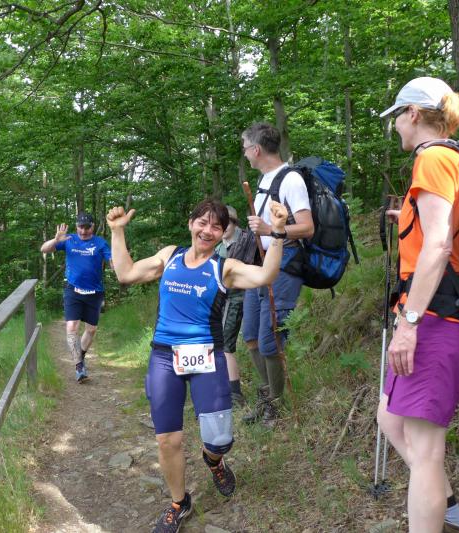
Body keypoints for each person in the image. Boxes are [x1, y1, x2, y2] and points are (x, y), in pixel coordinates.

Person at [107, 199, 287, 533]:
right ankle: (180, 502)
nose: (208, 230)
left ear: (222, 233)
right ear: (191, 224)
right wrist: (117, 232)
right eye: (202, 222)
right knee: (167, 439)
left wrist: (276, 233)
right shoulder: (170, 257)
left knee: (219, 439)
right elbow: (126, 273)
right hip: (164, 356)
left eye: (216, 226)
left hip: (206, 356)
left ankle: (214, 460)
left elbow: (266, 275)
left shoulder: (225, 268)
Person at [376, 77, 459, 533]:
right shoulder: (452, 157)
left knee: (425, 451)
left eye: (398, 117)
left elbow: (439, 246)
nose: (397, 126)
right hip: (439, 312)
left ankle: (437, 511)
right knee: (390, 420)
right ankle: (447, 507)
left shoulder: (434, 157)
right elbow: (442, 229)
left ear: (414, 114)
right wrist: (409, 216)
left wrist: (409, 324)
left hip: (438, 316)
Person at [240, 122, 314, 428]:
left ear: (257, 149)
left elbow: (307, 228)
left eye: (246, 148)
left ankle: (276, 405)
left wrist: (271, 229)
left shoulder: (290, 179)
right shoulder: (262, 181)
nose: (245, 154)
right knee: (250, 336)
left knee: (270, 340)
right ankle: (267, 394)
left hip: (284, 267)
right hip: (259, 266)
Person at [40, 212, 112, 383]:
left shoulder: (100, 243)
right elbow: (44, 249)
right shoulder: (68, 239)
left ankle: (80, 357)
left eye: (87, 227)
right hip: (73, 290)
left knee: (91, 330)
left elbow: (112, 261)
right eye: (81, 227)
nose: (83, 231)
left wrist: (117, 263)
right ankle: (79, 366)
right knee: (72, 326)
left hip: (94, 292)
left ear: (93, 226)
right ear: (76, 226)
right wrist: (56, 240)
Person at [214, 205, 246, 407]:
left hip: (244, 298)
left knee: (227, 345)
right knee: (222, 344)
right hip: (225, 300)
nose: (224, 227)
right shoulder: (218, 248)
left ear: (234, 223)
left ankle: (235, 394)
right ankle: (226, 388)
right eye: (220, 224)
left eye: (228, 222)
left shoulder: (247, 241)